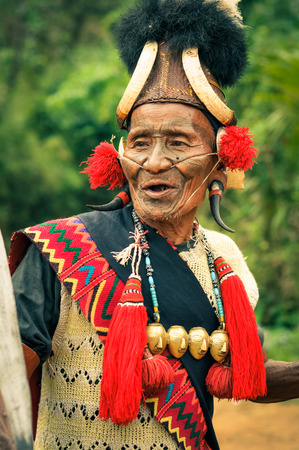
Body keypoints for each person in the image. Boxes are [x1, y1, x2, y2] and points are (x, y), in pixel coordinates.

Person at [7, 1, 299, 449]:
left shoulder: (225, 260)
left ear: (221, 163)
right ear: (120, 158)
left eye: (178, 143)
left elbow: (245, 372)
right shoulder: (60, 251)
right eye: (141, 142)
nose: (155, 162)